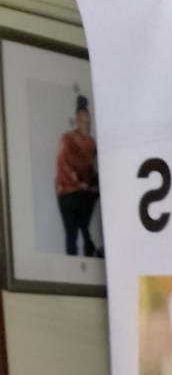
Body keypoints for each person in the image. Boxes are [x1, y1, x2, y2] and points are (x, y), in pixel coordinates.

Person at [55, 95, 100, 259]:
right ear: (76, 121)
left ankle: (89, 247)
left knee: (83, 224)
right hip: (67, 191)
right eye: (82, 121)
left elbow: (92, 168)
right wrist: (82, 184)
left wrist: (94, 185)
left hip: (84, 193)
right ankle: (87, 248)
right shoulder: (67, 139)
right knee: (72, 234)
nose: (86, 125)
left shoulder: (91, 143)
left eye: (88, 122)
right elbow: (66, 166)